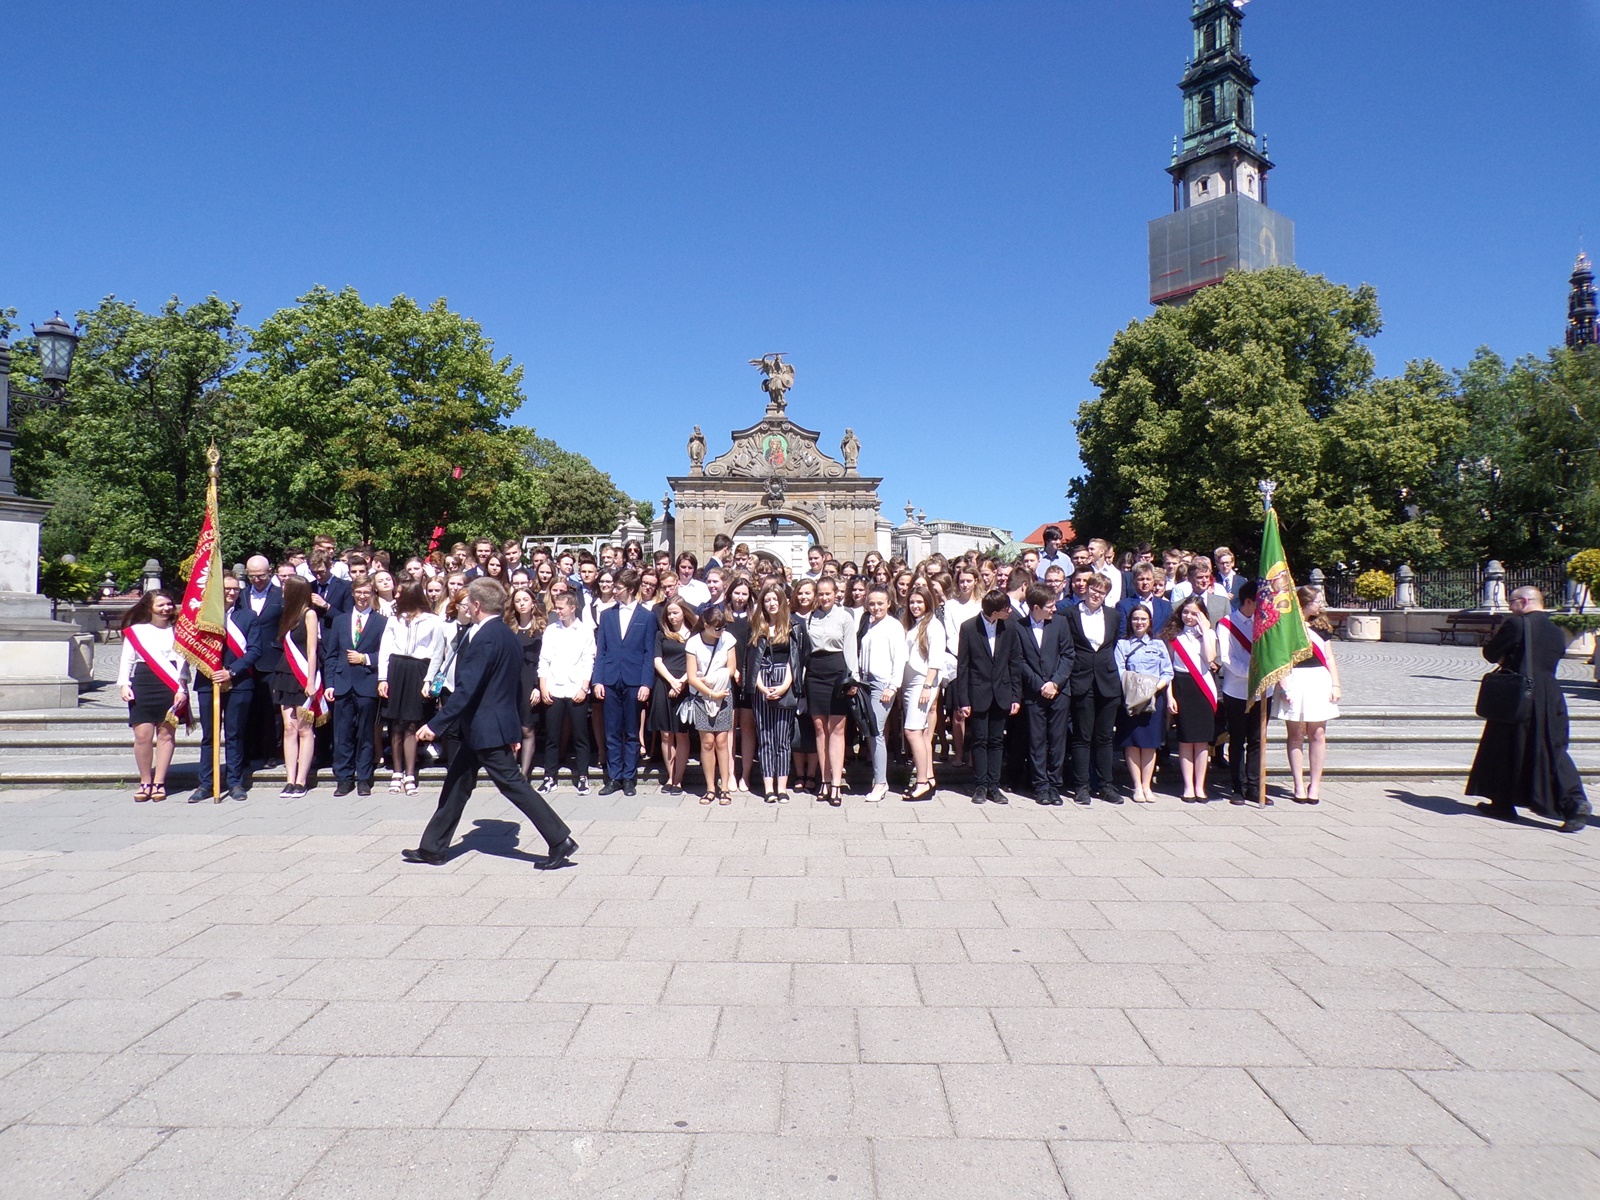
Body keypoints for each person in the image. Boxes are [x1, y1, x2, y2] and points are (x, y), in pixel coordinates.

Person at [402, 578, 578, 868]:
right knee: (456, 785)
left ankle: (560, 839)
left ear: (477, 605)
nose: (466, 607)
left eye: (469, 603)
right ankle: (432, 848)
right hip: (484, 727)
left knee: (514, 785)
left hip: (486, 728)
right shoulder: (506, 634)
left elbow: (467, 689)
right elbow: (513, 687)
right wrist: (515, 727)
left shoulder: (484, 637)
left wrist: (435, 724)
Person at [1467, 587, 1591, 832]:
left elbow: (1491, 654)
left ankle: (1571, 804)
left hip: (1519, 694)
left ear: (1524, 601)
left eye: (1512, 601)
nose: (1509, 607)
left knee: (1504, 745)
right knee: (1549, 747)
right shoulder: (1556, 629)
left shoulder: (1517, 624)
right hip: (1550, 694)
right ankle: (1506, 802)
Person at [189, 574, 262, 803]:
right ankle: (206, 783)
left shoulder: (248, 616)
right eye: (227, 588)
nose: (232, 593)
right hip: (207, 681)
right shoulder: (204, 617)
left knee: (235, 735)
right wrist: (211, 668)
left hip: (239, 682)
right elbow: (193, 646)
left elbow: (255, 650)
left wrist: (231, 671)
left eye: (236, 589)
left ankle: (235, 782)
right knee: (209, 736)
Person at [118, 590, 190, 803]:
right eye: (161, 605)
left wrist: (182, 689)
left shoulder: (179, 630)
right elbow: (127, 659)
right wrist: (124, 684)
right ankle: (145, 781)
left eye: (169, 604)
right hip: (143, 681)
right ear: (149, 607)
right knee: (143, 736)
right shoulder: (136, 631)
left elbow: (182, 662)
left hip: (170, 684)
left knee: (166, 734)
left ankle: (159, 782)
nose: (166, 608)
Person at [1276, 585, 1342, 804]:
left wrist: (1336, 685)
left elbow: (1329, 658)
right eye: (1318, 601)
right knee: (1296, 734)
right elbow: (1281, 658)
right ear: (1304, 602)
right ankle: (1298, 784)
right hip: (1294, 679)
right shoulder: (1287, 626)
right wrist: (1284, 686)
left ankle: (1315, 785)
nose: (1321, 605)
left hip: (1318, 679)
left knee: (1318, 733)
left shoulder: (1321, 627)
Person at [322, 579, 388, 797]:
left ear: (372, 594)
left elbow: (386, 654)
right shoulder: (340, 621)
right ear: (352, 593)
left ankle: (364, 778)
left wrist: (365, 658)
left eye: (366, 592)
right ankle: (344, 778)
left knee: (365, 733)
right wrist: (330, 683)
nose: (362, 596)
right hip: (342, 684)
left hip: (367, 684)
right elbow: (332, 655)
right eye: (359, 592)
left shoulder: (381, 622)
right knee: (343, 733)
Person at [591, 569, 654, 797]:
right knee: (612, 730)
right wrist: (597, 680)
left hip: (634, 679)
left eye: (618, 587)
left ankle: (629, 777)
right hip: (610, 678)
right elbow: (601, 650)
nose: (614, 590)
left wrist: (646, 683)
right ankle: (614, 777)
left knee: (631, 731)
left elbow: (649, 652)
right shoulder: (607, 615)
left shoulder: (646, 616)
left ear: (631, 589)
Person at [1062, 574, 1124, 804]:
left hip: (1107, 681)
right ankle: (1082, 786)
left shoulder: (1114, 616)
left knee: (1105, 737)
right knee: (1082, 736)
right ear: (1086, 589)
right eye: (1094, 589)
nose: (1097, 595)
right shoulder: (1068, 614)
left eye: (1102, 592)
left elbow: (1113, 643)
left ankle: (1106, 785)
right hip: (1081, 679)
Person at [378, 581, 444, 796]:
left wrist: (428, 679)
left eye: (401, 593)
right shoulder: (394, 620)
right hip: (397, 668)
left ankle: (410, 772)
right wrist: (382, 678)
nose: (397, 596)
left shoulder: (433, 621)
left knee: (412, 723)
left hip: (418, 669)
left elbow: (437, 652)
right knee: (396, 722)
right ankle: (397, 772)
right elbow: (385, 650)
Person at [954, 589, 1019, 804]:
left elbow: (1014, 662)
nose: (1010, 611)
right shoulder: (969, 627)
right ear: (995, 610)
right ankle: (980, 785)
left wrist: (1015, 696)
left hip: (1002, 691)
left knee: (997, 740)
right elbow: (963, 666)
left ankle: (994, 785)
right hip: (978, 691)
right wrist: (963, 700)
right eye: (1006, 608)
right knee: (980, 739)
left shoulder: (1009, 626)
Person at [1013, 583, 1075, 807]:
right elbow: (1019, 660)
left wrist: (1055, 683)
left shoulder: (1060, 623)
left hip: (1059, 691)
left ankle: (1054, 785)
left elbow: (1068, 655)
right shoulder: (1019, 627)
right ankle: (1040, 786)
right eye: (1050, 606)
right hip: (1034, 692)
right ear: (1036, 607)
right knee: (1037, 741)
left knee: (1057, 740)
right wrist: (1040, 685)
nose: (1054, 609)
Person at [803, 577, 859, 806]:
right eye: (821, 593)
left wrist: (853, 678)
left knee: (836, 729)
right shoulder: (810, 617)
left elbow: (851, 649)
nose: (824, 597)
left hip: (837, 672)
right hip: (815, 673)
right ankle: (824, 781)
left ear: (836, 593)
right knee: (819, 728)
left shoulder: (845, 617)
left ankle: (836, 783)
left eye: (828, 593)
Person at [538, 591, 596, 794]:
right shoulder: (551, 630)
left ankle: (583, 776)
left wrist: (584, 687)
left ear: (572, 608)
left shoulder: (584, 631)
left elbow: (589, 660)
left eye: (561, 608)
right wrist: (543, 686)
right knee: (552, 736)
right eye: (556, 607)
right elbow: (544, 659)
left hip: (576, 689)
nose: (558, 611)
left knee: (580, 736)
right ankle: (549, 776)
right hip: (554, 688)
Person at [750, 582, 802, 802]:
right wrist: (761, 687)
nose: (771, 604)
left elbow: (795, 660)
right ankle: (768, 787)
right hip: (762, 681)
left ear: (782, 602)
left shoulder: (793, 626)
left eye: (775, 599)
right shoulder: (756, 627)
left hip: (784, 681)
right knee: (765, 737)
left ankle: (782, 787)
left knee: (782, 738)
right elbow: (752, 661)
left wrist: (785, 686)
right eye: (767, 600)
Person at [1114, 605, 1172, 803]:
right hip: (1131, 698)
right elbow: (1120, 670)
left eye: (1143, 619)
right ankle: (1137, 786)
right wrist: (1137, 687)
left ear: (1149, 622)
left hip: (1153, 698)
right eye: (1135, 619)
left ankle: (1147, 786)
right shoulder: (1123, 644)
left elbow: (1167, 671)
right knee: (1132, 743)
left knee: (1150, 743)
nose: (1139, 622)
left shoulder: (1158, 644)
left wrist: (1154, 687)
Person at [273, 576, 324, 799]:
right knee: (289, 728)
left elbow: (312, 650)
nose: (283, 590)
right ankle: (289, 779)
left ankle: (301, 780)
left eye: (286, 587)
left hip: (304, 675)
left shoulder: (309, 614)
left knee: (304, 728)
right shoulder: (287, 615)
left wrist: (311, 680)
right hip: (286, 674)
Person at [1164, 597, 1219, 801]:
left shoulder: (1209, 634)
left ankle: (1200, 786)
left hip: (1203, 687)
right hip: (1181, 686)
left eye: (1194, 613)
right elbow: (1168, 668)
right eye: (1185, 612)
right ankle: (1188, 786)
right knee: (1186, 739)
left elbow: (1210, 658)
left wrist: (1205, 630)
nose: (1188, 616)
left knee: (1202, 741)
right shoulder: (1174, 636)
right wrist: (1169, 696)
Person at [857, 585, 906, 802]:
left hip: (883, 683)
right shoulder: (867, 623)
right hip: (865, 682)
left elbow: (900, 658)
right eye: (872, 603)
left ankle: (880, 782)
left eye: (880, 603)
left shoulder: (893, 626)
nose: (876, 607)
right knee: (870, 730)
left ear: (888, 603)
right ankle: (878, 777)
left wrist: (892, 686)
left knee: (876, 730)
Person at [1216, 582, 1264, 805]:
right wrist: (1251, 673)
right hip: (1236, 690)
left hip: (1262, 691)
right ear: (1248, 602)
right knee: (1237, 739)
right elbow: (1227, 659)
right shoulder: (1226, 624)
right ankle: (1238, 786)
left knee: (1257, 740)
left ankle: (1254, 786)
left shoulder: (1264, 624)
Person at [687, 606, 739, 804]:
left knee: (722, 741)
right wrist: (709, 691)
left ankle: (724, 787)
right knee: (707, 742)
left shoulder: (728, 639)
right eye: (717, 628)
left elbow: (731, 669)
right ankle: (710, 788)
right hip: (702, 696)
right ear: (705, 624)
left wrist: (710, 681)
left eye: (723, 627)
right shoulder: (693, 642)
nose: (720, 631)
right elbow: (692, 677)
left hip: (723, 694)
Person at [900, 585, 947, 800]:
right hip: (910, 682)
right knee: (921, 731)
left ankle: (921, 783)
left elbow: (936, 659)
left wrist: (927, 686)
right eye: (912, 602)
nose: (915, 605)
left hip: (922, 682)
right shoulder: (914, 624)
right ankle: (928, 777)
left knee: (912, 730)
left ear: (928, 603)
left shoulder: (934, 625)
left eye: (919, 601)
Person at [649, 597, 697, 795]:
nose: (671, 617)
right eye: (669, 613)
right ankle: (670, 776)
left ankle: (679, 779)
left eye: (675, 612)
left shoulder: (694, 635)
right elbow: (657, 660)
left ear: (684, 612)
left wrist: (681, 682)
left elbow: (697, 662)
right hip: (664, 683)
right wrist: (671, 681)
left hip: (686, 684)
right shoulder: (661, 634)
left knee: (681, 733)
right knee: (666, 734)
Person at [507, 586, 545, 779]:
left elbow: (545, 660)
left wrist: (538, 686)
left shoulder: (542, 629)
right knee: (512, 727)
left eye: (525, 600)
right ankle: (512, 772)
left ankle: (524, 773)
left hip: (531, 681)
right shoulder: (508, 628)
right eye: (518, 601)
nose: (522, 604)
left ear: (532, 603)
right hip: (512, 682)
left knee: (527, 728)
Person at [790, 578, 821, 793]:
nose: (803, 597)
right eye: (800, 593)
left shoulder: (819, 617)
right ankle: (799, 774)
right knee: (797, 728)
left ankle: (812, 774)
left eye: (808, 593)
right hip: (794, 677)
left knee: (814, 727)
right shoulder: (790, 617)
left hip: (816, 677)